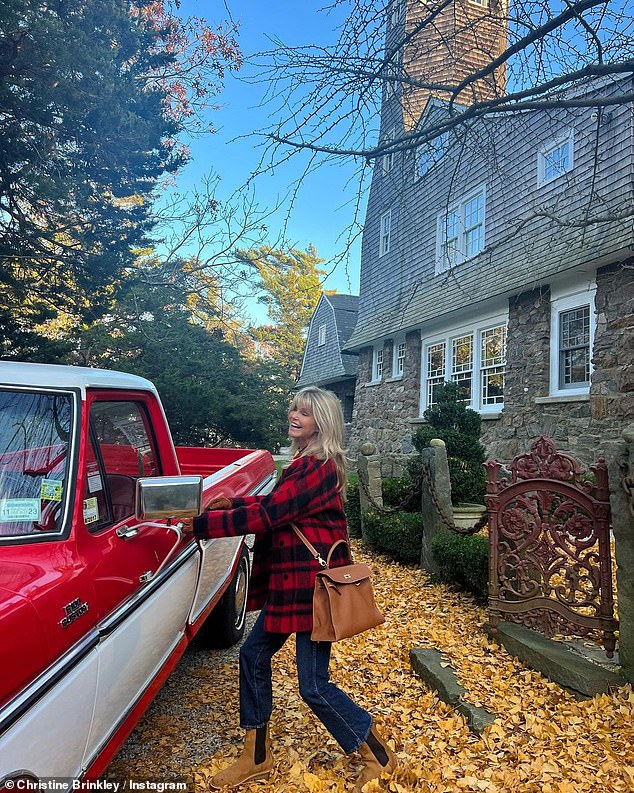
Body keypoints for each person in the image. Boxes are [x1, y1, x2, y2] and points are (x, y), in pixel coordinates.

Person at [191, 386, 397, 791]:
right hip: (291, 586)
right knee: (252, 657)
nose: (294, 415)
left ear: (321, 422)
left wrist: (199, 527)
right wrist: (232, 506)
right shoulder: (303, 464)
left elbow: (273, 513)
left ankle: (376, 753)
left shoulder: (322, 467)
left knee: (314, 685)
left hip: (313, 591)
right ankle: (256, 756)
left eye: (303, 412)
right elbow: (278, 503)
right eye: (293, 409)